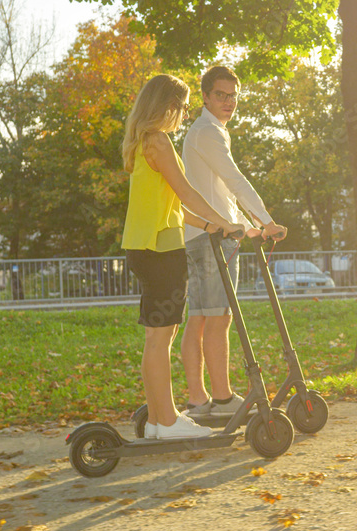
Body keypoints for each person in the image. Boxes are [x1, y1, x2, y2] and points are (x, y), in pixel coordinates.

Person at [121, 74, 245, 440]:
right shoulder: (159, 141)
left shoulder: (143, 143)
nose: (182, 114)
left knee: (158, 339)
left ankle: (161, 421)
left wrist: (212, 227)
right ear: (167, 106)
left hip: (147, 246)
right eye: (181, 106)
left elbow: (172, 203)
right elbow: (186, 191)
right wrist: (225, 220)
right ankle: (170, 421)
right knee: (161, 340)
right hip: (160, 250)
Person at [180, 66, 287, 418]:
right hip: (211, 239)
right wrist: (266, 221)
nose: (229, 102)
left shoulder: (207, 132)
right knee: (219, 318)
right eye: (221, 95)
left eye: (233, 96)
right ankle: (222, 401)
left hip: (206, 234)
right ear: (206, 97)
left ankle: (199, 400)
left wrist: (246, 226)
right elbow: (235, 181)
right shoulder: (208, 132)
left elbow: (219, 191)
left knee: (200, 318)